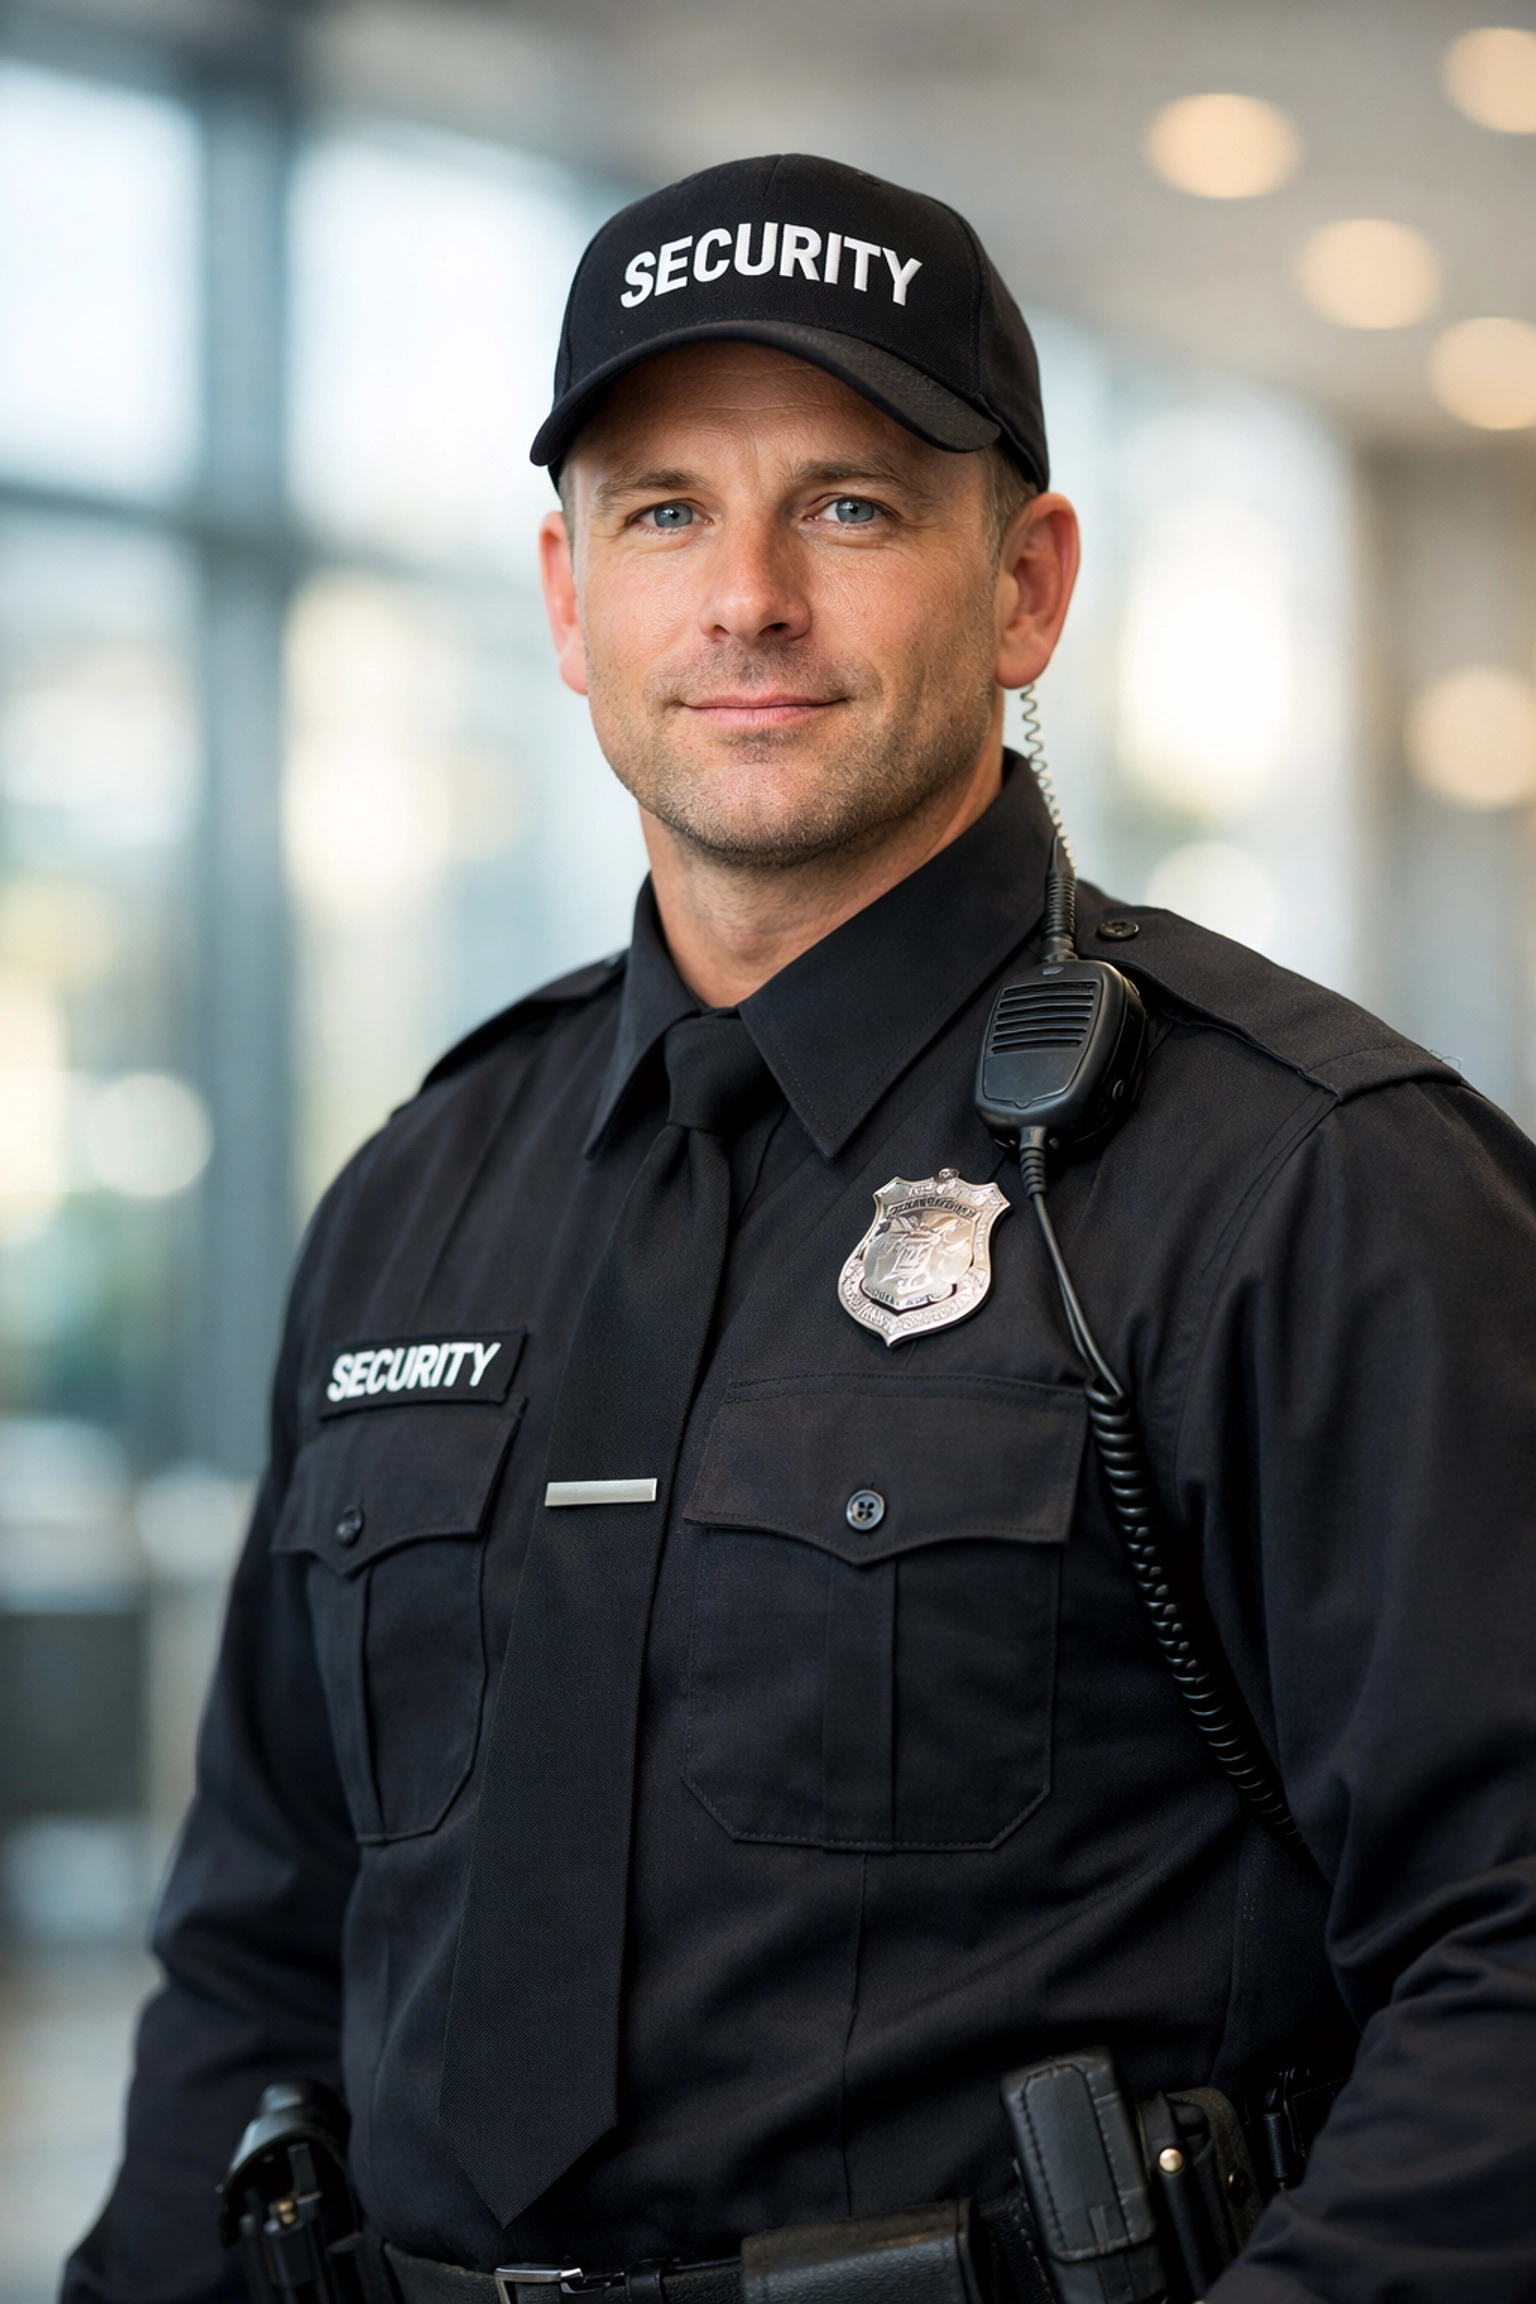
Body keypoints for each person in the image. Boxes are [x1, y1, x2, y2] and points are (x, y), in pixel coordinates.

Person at [66, 153, 1536, 2304]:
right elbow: (259, 1950)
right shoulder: (418, 1190)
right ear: (569, 605)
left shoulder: (1307, 1181)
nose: (745, 593)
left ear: (1026, 586)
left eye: (845, 504)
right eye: (663, 509)